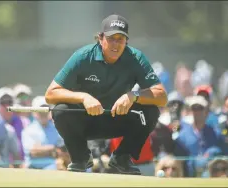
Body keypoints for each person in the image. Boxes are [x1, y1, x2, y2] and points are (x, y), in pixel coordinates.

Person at [45, 14, 167, 175]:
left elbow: (162, 97)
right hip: (85, 120)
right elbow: (50, 94)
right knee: (60, 110)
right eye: (111, 38)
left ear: (126, 42)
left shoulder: (136, 58)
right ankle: (81, 157)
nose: (116, 44)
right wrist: (84, 97)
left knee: (151, 111)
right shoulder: (82, 57)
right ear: (100, 38)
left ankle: (122, 158)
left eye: (120, 39)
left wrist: (133, 95)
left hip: (117, 118)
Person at [174, 96, 223, 177]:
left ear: (206, 111)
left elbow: (223, 157)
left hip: (211, 178)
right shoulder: (182, 136)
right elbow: (179, 161)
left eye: (200, 108)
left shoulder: (215, 133)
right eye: (194, 108)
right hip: (189, 178)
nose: (197, 112)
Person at [22, 96, 67, 170]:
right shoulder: (28, 130)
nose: (43, 113)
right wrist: (53, 149)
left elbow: (62, 150)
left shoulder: (56, 128)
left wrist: (44, 150)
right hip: (33, 168)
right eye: (40, 110)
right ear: (34, 112)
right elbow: (34, 152)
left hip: (55, 166)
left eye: (45, 110)